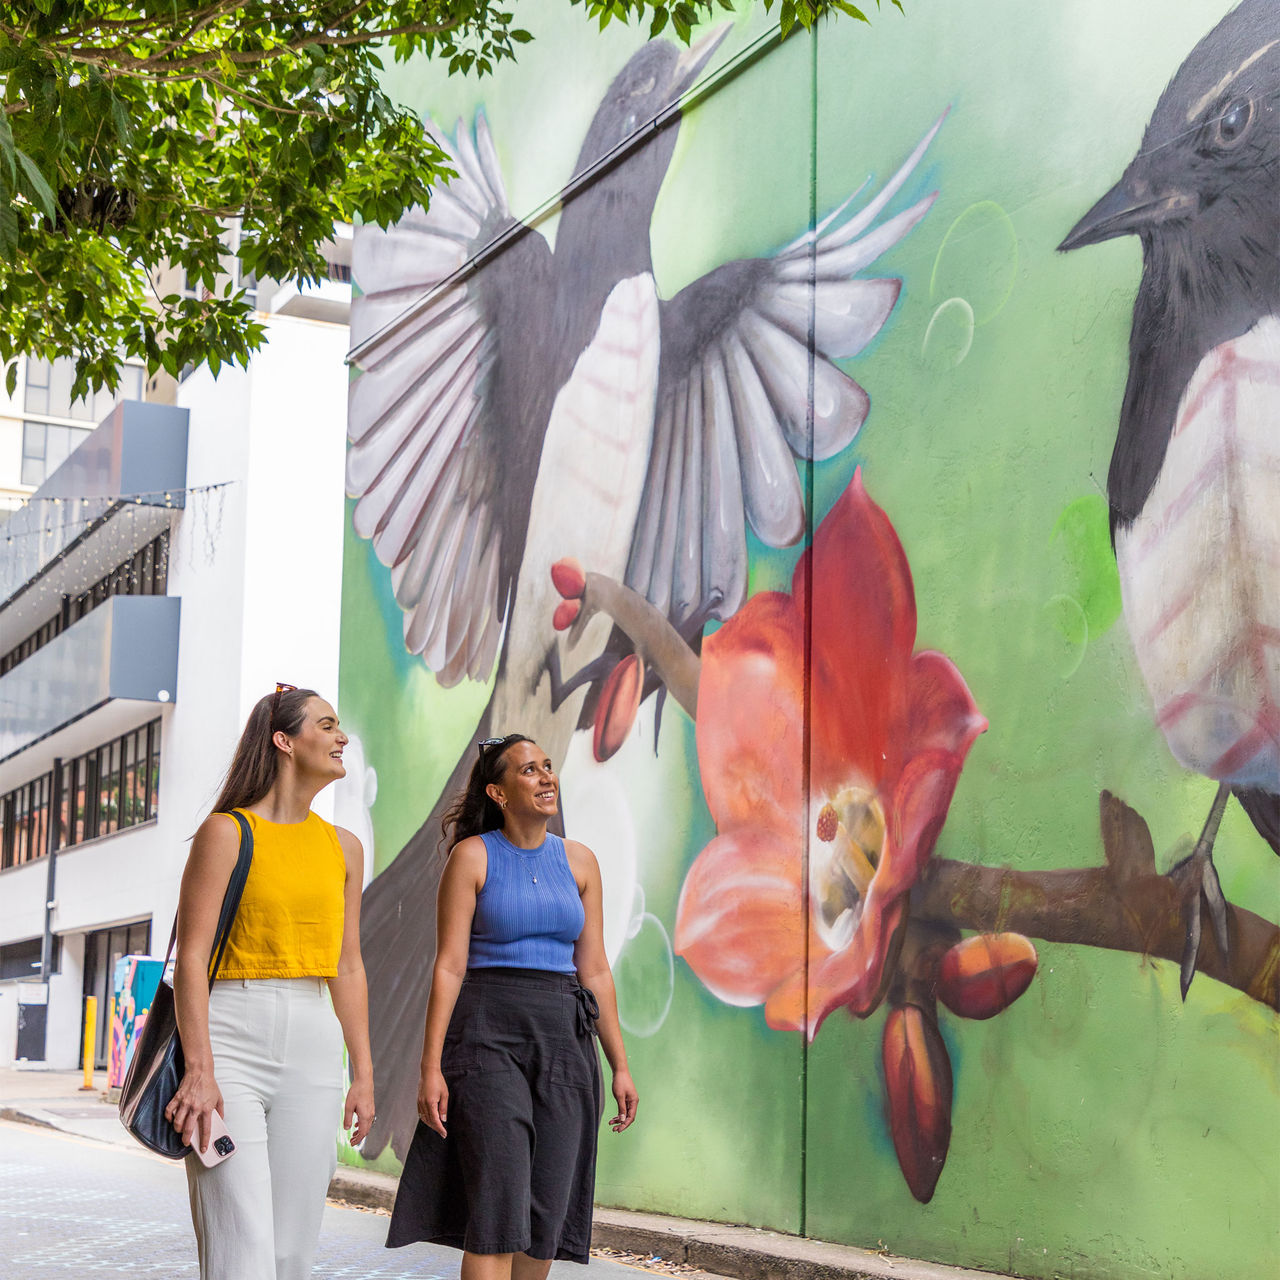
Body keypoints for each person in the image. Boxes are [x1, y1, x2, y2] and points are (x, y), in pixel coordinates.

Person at [387, 732, 639, 1276]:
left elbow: (594, 968)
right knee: (497, 1207)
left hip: (566, 1040)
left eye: (548, 766)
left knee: (545, 1214)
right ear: (498, 793)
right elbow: (449, 965)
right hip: (485, 1036)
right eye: (529, 770)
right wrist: (430, 1068)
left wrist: (619, 1063)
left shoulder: (581, 862)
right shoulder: (472, 857)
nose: (547, 777)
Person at [165, 685, 375, 1280]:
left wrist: (362, 1071)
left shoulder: (345, 848)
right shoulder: (225, 833)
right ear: (284, 741)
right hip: (228, 1035)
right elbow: (192, 958)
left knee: (292, 1249)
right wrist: (199, 1069)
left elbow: (349, 964)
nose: (343, 738)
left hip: (313, 1037)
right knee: (241, 1243)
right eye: (328, 725)